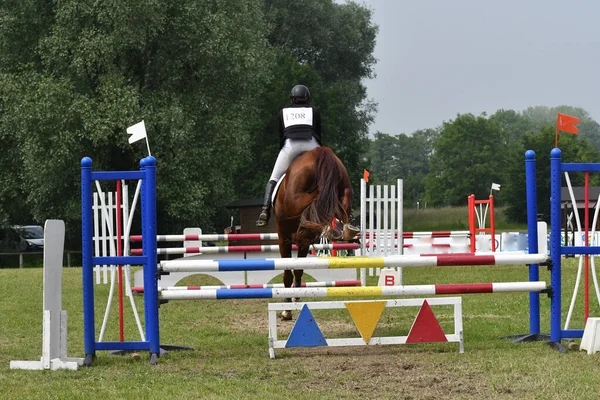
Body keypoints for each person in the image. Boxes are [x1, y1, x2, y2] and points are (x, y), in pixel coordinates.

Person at [255, 84, 322, 227]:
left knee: (273, 178)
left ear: (291, 100)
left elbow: (281, 135)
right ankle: (339, 210)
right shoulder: (314, 110)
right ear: (307, 99)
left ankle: (265, 210)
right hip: (311, 144)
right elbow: (318, 133)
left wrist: (285, 152)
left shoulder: (283, 112)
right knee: (328, 175)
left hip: (290, 146)